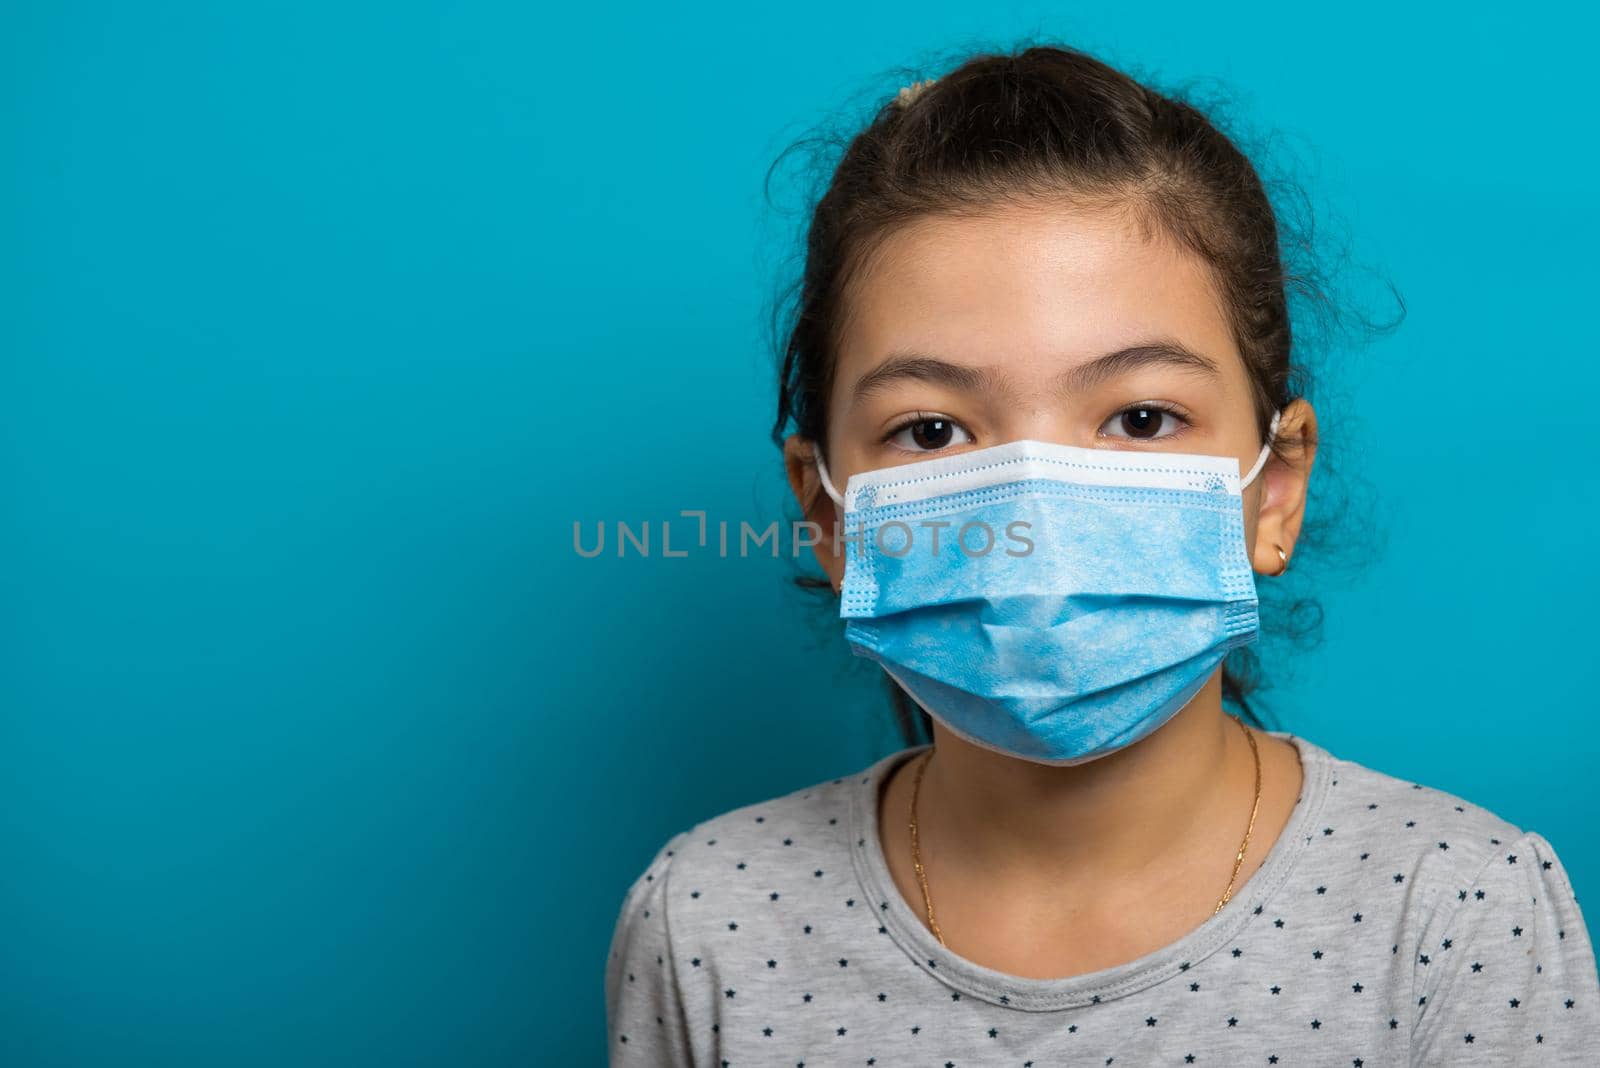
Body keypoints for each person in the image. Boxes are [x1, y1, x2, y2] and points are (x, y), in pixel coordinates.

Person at [604, 42, 1600, 1065]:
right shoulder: (705, 921)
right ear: (830, 513)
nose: (1033, 513)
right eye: (932, 431)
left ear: (1276, 488)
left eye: (1138, 417)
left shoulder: (1460, 909)